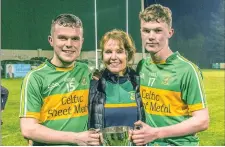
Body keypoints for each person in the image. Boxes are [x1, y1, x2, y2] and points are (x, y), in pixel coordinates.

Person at [131, 4, 209, 146]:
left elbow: (202, 120)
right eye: (146, 30)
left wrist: (156, 133)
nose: (151, 36)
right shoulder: (142, 66)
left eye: (158, 30)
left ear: (170, 32)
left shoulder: (187, 70)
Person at [19, 14, 99, 146]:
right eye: (62, 38)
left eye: (75, 39)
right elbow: (28, 129)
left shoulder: (85, 71)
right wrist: (76, 138)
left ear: (82, 42)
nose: (69, 44)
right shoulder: (35, 78)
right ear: (51, 40)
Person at [88, 29, 145, 132]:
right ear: (103, 55)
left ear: (128, 54)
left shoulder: (140, 82)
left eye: (119, 51)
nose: (113, 57)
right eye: (108, 52)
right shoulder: (94, 85)